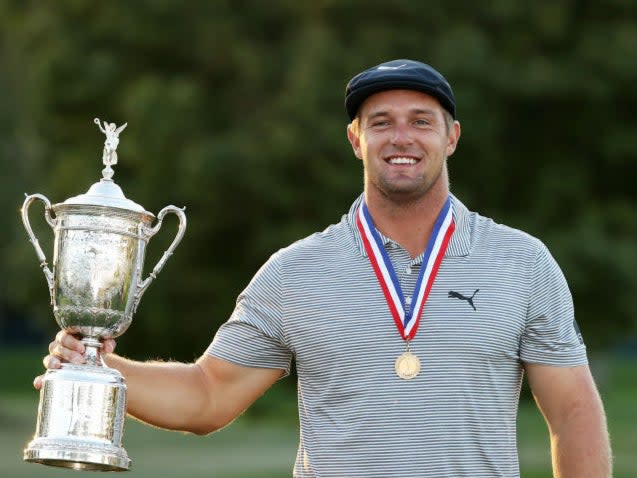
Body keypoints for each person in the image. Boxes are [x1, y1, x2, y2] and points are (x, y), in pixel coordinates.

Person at [37, 59, 612, 477]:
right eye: (381, 122)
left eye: (421, 120)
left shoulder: (522, 262)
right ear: (355, 139)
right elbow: (208, 395)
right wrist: (99, 367)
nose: (401, 137)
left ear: (452, 137)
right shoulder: (296, 272)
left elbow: (573, 410)